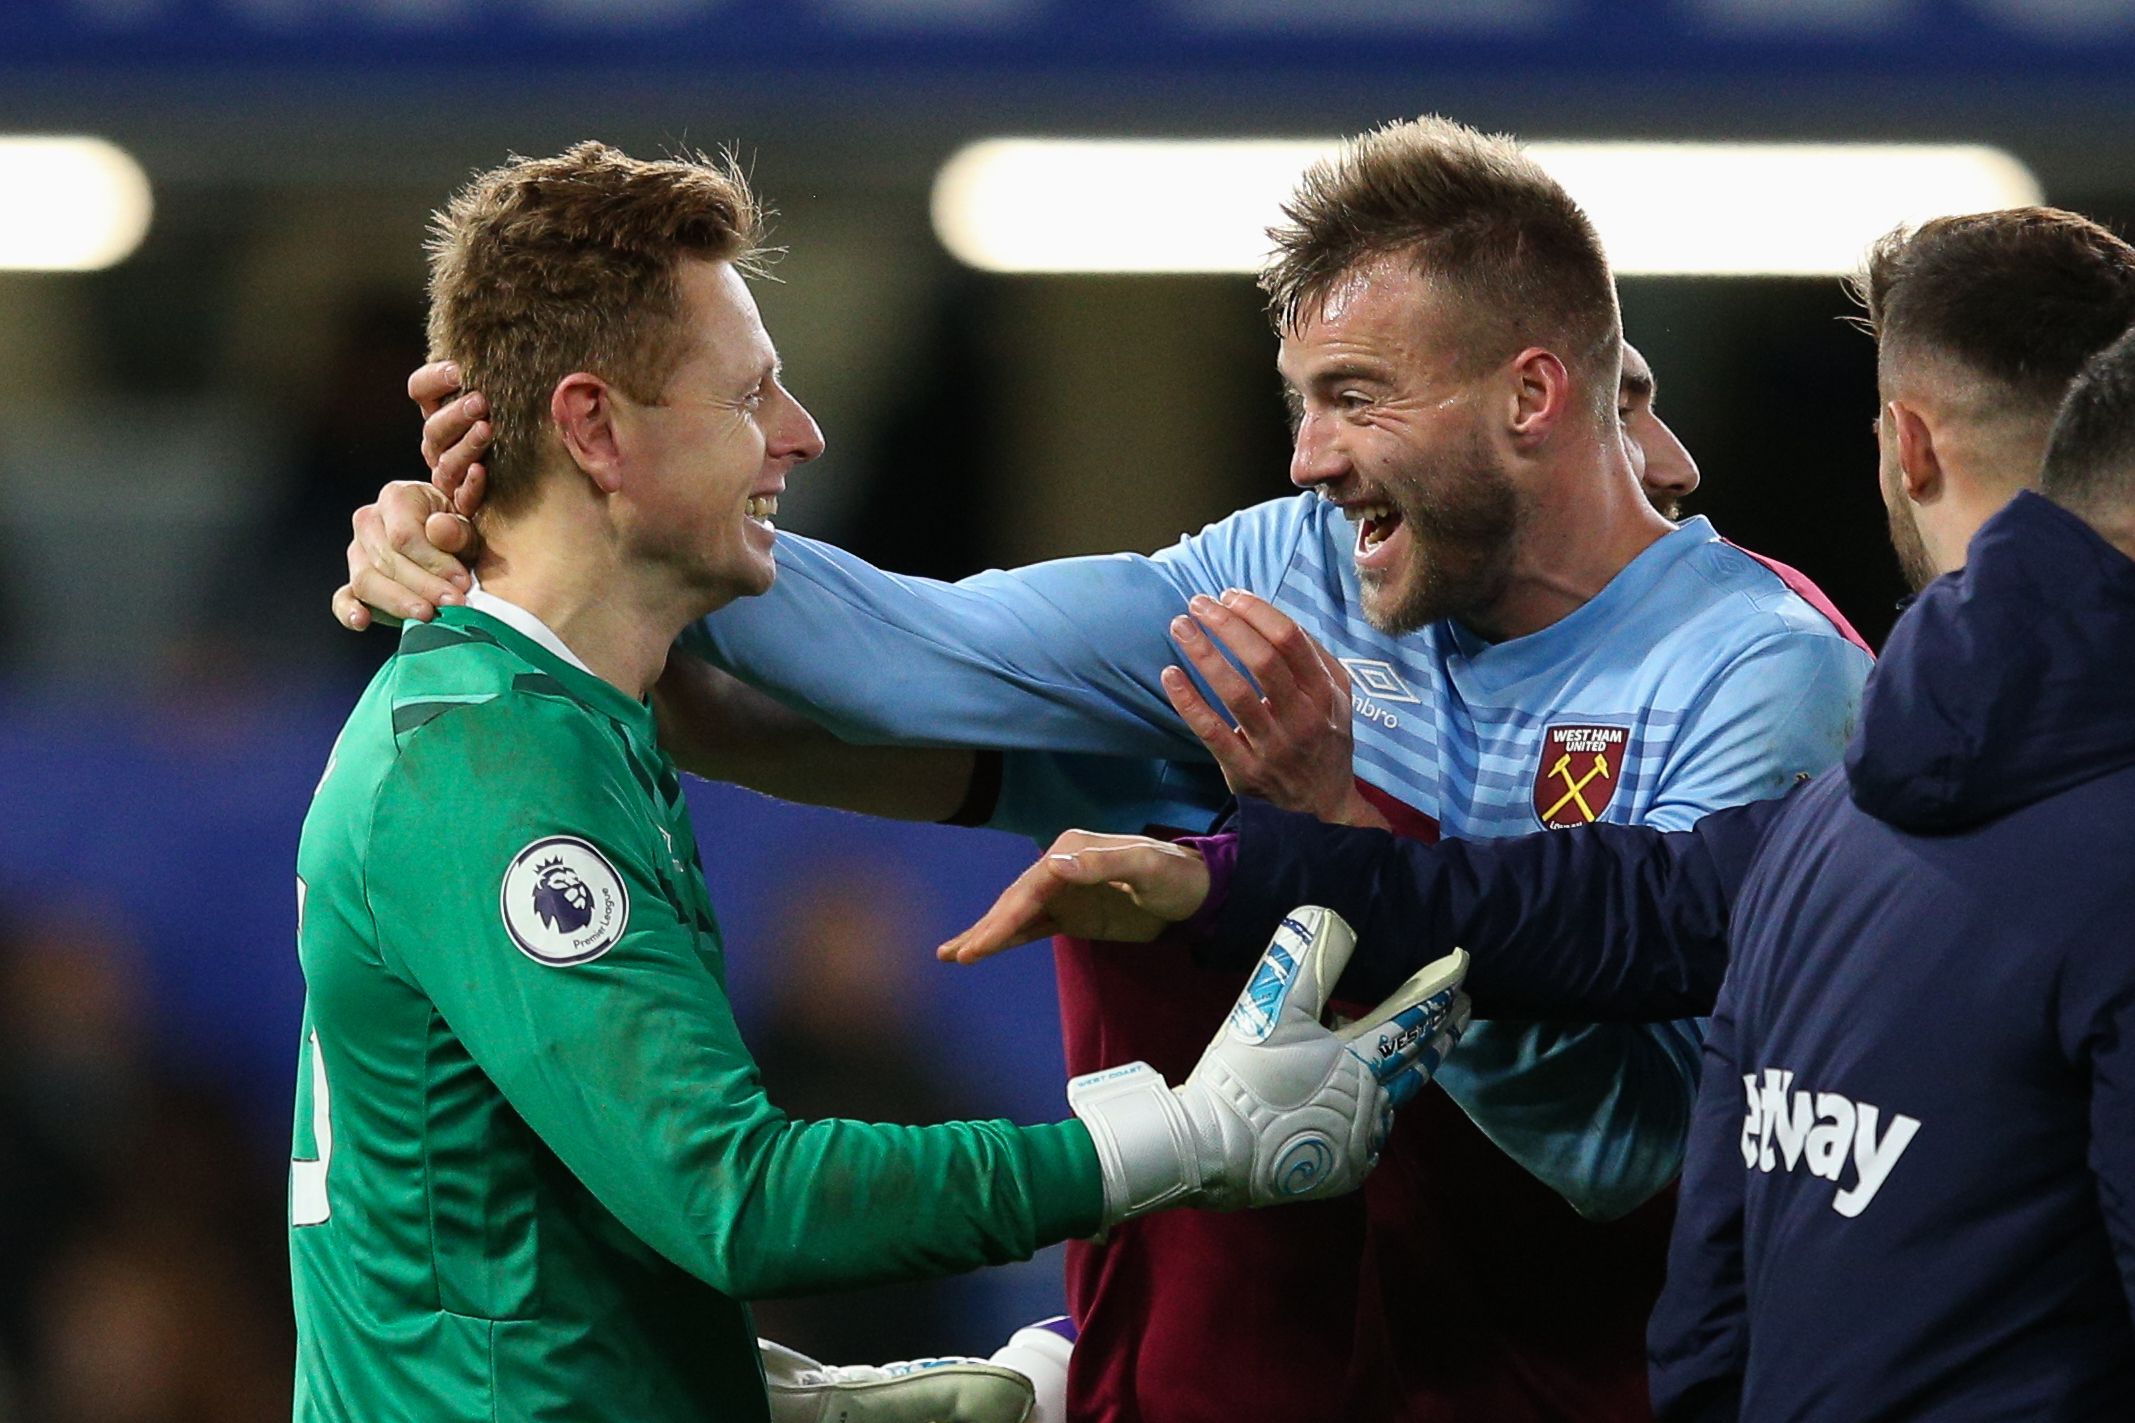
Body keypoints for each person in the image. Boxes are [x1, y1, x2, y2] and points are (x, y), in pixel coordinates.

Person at [339, 118, 1870, 1421]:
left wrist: (1333, 839)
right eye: (1298, 401)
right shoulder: (1299, 574)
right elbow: (911, 655)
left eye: (1354, 398)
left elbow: (1620, 1153)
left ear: (1533, 397)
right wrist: (526, 528)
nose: (1304, 460)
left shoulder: (1760, 673)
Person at [289, 141, 1465, 1423]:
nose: (799, 434)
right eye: (748, 396)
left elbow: (525, 1252)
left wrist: (827, 1399)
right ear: (592, 428)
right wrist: (1187, 1137)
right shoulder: (492, 765)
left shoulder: (562, 723)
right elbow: (737, 1199)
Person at [943, 210, 2135, 1421]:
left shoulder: (1824, 800)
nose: (1308, 459)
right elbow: (1619, 913)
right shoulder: (1848, 816)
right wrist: (1259, 867)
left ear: (1905, 447)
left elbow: (1638, 1045)